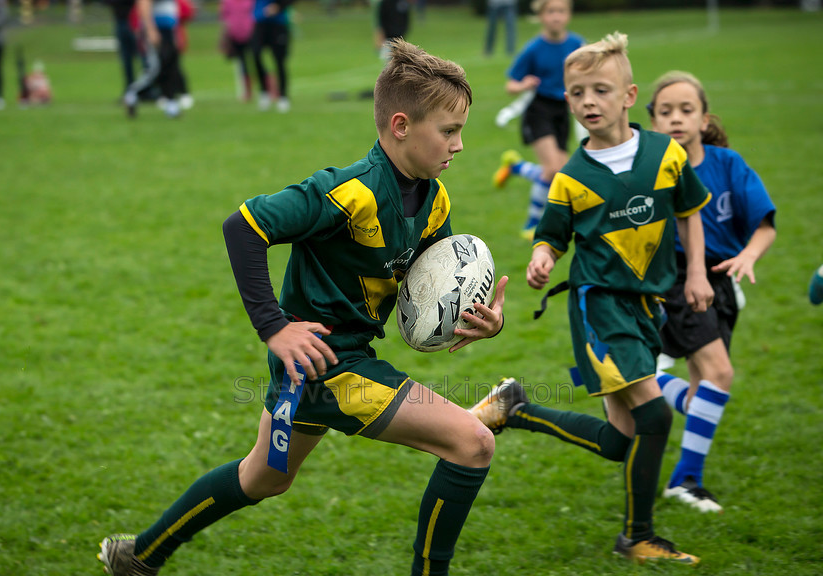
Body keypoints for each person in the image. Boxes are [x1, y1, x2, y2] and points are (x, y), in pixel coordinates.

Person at [97, 38, 508, 576]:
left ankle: (139, 555)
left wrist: (476, 319)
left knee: (264, 476)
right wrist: (275, 327)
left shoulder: (436, 198)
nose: (458, 145)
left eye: (461, 132)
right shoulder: (347, 191)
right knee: (472, 443)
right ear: (401, 126)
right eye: (449, 131)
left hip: (326, 361)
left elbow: (432, 286)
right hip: (325, 363)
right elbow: (243, 225)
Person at [470, 32, 712, 564]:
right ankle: (637, 537)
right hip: (600, 308)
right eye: (577, 94)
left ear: (629, 95)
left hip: (649, 307)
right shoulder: (571, 177)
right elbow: (551, 235)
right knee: (656, 418)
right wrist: (541, 258)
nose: (587, 103)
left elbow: (691, 212)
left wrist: (697, 272)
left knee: (621, 443)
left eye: (600, 90)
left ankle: (516, 408)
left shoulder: (665, 154)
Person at [646, 70, 776, 512]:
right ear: (653, 121)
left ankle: (643, 383)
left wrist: (750, 256)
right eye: (666, 112)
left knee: (705, 388)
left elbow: (764, 223)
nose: (676, 119)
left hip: (720, 283)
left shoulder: (728, 164)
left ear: (704, 119)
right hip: (679, 281)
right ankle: (684, 481)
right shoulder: (652, 171)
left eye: (687, 110)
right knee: (720, 375)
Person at [492, 0, 583, 238]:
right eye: (551, 11)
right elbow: (510, 85)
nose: (556, 17)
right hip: (538, 109)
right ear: (541, 16)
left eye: (561, 11)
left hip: (563, 111)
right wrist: (523, 84)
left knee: (560, 174)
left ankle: (516, 167)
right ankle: (531, 224)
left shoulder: (577, 45)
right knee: (553, 169)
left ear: (568, 15)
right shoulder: (533, 49)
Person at [123, 0, 186, 118]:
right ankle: (132, 94)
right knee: (155, 69)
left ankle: (171, 104)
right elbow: (143, 4)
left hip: (168, 30)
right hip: (157, 30)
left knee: (170, 67)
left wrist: (176, 32)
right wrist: (151, 29)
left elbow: (172, 9)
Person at [251, 0, 292, 112]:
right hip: (259, 23)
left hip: (278, 24)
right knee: (256, 54)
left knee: (279, 60)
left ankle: (283, 96)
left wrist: (278, 6)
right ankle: (264, 92)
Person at [219, 0, 255, 101]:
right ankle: (247, 91)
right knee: (242, 63)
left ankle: (268, 88)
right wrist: (224, 37)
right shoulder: (227, 2)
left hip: (251, 33)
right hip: (235, 35)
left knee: (257, 60)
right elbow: (224, 17)